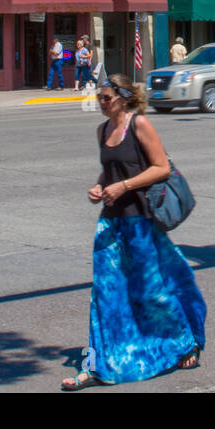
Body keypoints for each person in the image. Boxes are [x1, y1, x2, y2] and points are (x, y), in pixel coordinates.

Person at [61, 74, 206, 390]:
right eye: (99, 97)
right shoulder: (102, 130)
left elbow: (161, 167)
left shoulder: (139, 125)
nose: (101, 102)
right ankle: (98, 365)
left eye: (106, 98)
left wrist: (123, 186)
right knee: (104, 293)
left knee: (150, 290)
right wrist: (98, 188)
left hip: (139, 220)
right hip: (111, 221)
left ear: (124, 99)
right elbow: (109, 171)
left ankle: (185, 342)